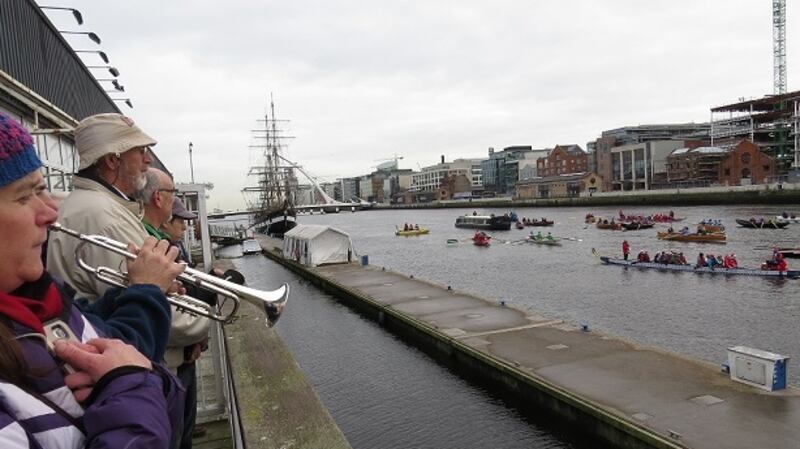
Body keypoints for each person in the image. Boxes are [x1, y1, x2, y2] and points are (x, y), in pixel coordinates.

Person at [0, 112, 185, 447]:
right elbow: (128, 365)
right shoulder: (99, 213)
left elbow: (108, 349)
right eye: (25, 196)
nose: (50, 213)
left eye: (43, 189)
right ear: (113, 160)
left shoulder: (39, 299)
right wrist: (135, 381)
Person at [47, 113, 155, 299]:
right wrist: (204, 309)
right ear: (113, 160)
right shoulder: (104, 218)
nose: (148, 159)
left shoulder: (92, 205)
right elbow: (159, 308)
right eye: (140, 150)